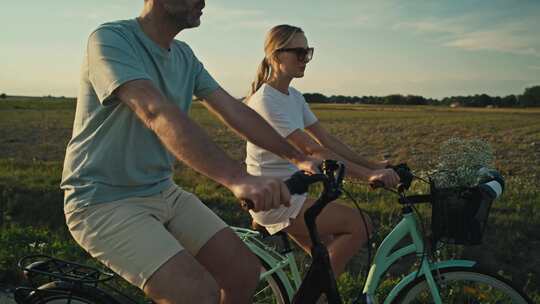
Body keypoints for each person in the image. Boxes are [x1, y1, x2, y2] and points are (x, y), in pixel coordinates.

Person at [60, 2, 320, 304]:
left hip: (162, 190)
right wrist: (237, 178)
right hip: (101, 200)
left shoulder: (184, 55)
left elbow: (234, 110)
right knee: (197, 293)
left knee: (244, 271)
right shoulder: (111, 39)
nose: (203, 1)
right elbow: (154, 111)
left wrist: (297, 157)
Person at [245, 24, 400, 277]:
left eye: (308, 52)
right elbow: (309, 148)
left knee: (326, 260)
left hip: (291, 193)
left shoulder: (293, 96)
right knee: (360, 225)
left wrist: (373, 166)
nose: (305, 59)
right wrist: (366, 176)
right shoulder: (266, 100)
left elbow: (326, 140)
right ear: (275, 56)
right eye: (298, 52)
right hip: (273, 198)